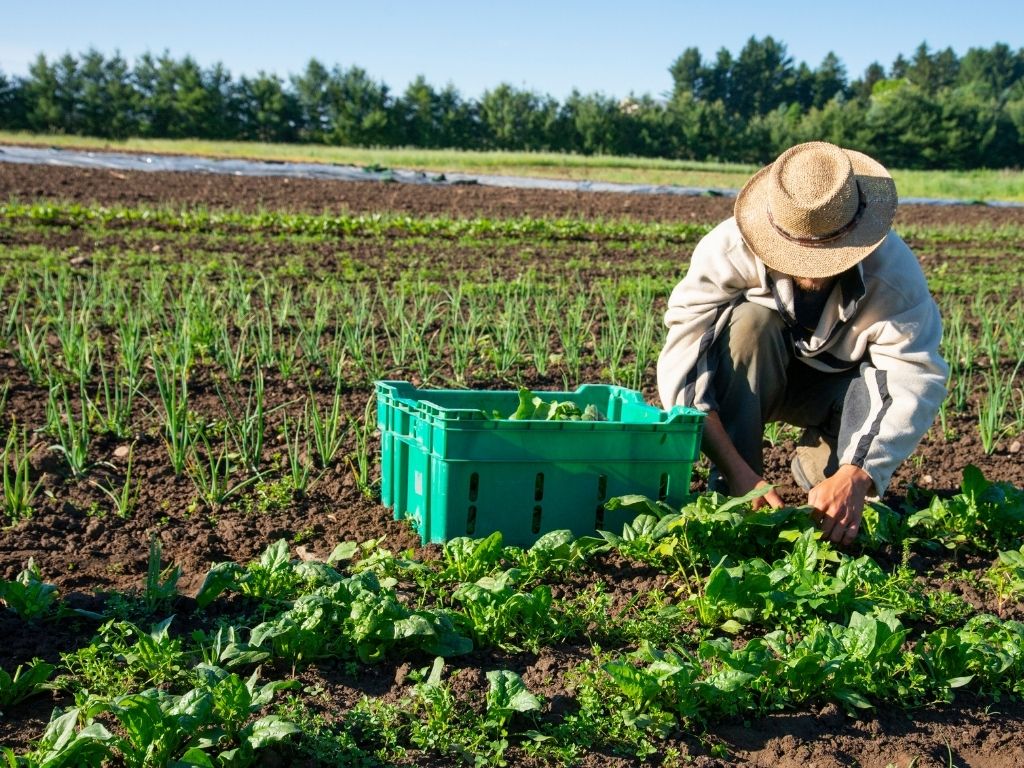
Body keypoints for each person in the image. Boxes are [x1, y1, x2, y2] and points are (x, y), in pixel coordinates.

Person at [657, 141, 948, 546]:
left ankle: (822, 463)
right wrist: (741, 476)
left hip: (835, 392)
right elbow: (685, 367)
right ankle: (733, 490)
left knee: (839, 501)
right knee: (748, 324)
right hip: (757, 375)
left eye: (828, 254)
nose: (811, 270)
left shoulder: (893, 276)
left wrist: (857, 474)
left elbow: (913, 376)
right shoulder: (727, 249)